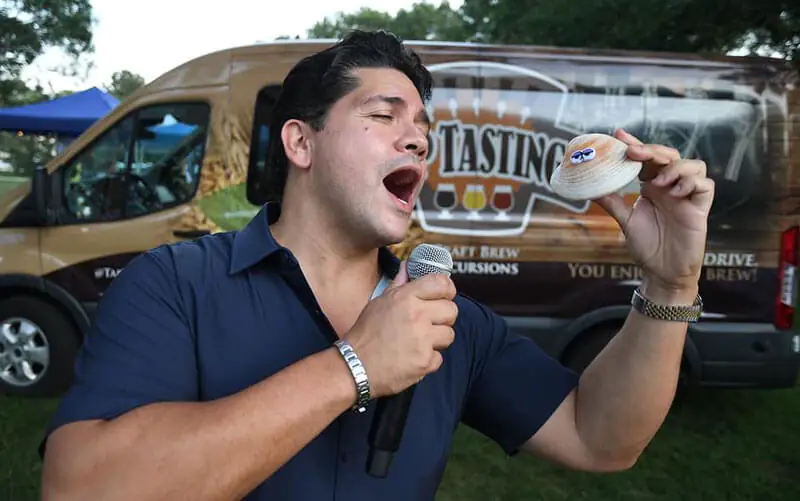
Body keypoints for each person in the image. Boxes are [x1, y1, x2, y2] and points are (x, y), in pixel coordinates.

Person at [40, 30, 714, 501]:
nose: (418, 136)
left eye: (422, 124)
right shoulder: (173, 284)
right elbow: (84, 486)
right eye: (385, 114)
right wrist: (353, 367)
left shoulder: (448, 320)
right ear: (301, 142)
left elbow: (602, 440)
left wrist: (670, 282)